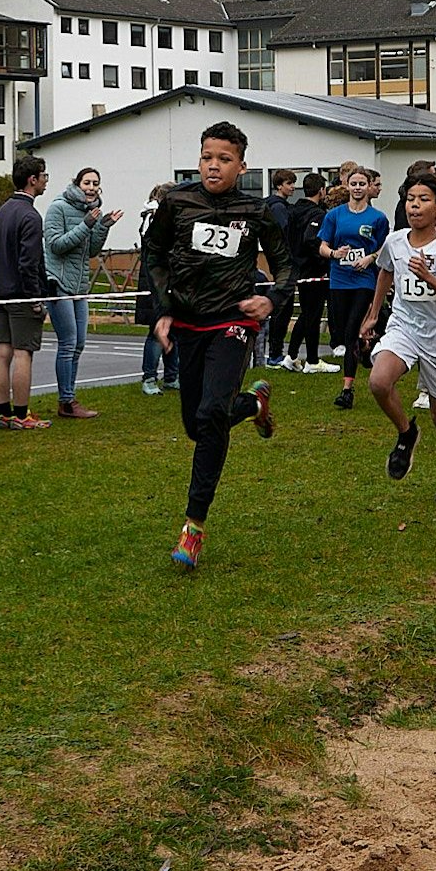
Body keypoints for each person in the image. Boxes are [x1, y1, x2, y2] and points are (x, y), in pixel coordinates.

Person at [143, 122, 289, 569]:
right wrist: (164, 309)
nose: (213, 165)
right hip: (189, 320)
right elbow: (154, 255)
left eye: (224, 159)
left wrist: (271, 298)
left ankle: (193, 529)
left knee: (209, 416)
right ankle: (251, 405)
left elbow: (285, 266)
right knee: (197, 424)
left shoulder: (257, 209)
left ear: (241, 166)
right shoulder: (176, 202)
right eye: (208, 156)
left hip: (234, 320)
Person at [362, 175, 436, 500]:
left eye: (423, 199)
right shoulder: (395, 241)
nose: (415, 205)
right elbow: (385, 270)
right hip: (404, 327)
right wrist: (373, 313)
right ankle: (407, 433)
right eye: (411, 198)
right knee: (379, 382)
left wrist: (429, 276)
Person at [43, 166, 119, 418]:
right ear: (77, 184)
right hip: (59, 283)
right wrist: (87, 225)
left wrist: (103, 226)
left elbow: (91, 251)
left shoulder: (91, 211)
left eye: (95, 183)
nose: (91, 187)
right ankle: (66, 401)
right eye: (87, 182)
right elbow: (56, 246)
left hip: (79, 286)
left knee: (79, 344)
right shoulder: (58, 207)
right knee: (67, 343)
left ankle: (69, 398)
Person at [320, 167, 390, 409]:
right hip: (339, 278)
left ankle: (347, 390)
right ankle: (365, 345)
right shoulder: (335, 215)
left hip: (363, 280)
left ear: (369, 187)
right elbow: (322, 246)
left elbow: (384, 248)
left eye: (362, 183)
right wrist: (333, 253)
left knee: (350, 332)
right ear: (347, 186)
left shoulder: (377, 218)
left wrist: (370, 257)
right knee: (340, 332)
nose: (358, 188)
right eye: (354, 183)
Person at [0, 155, 53, 429]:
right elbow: (29, 263)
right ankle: (20, 414)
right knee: (22, 353)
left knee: (3, 352)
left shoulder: (4, 210)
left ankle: (3, 413)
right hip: (20, 293)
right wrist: (35, 299)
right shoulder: (30, 215)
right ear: (33, 179)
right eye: (44, 175)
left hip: (0, 291)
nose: (45, 180)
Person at [280, 173, 335, 372]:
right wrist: (325, 257)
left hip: (297, 267)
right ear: (321, 190)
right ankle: (312, 361)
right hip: (313, 270)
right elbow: (311, 239)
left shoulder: (293, 211)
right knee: (313, 315)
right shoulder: (318, 215)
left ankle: (292, 356)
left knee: (306, 314)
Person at [135, 183, 180, 395]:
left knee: (174, 331)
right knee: (156, 333)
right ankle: (149, 378)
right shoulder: (153, 219)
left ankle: (172, 376)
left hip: (171, 280)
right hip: (155, 282)